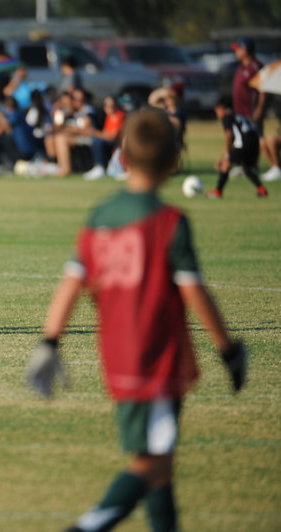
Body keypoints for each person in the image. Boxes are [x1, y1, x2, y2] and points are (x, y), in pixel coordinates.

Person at [26, 107, 248, 532]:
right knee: (155, 462)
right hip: (158, 358)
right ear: (174, 160)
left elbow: (72, 282)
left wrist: (49, 342)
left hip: (116, 355)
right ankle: (88, 526)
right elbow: (194, 292)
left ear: (123, 157)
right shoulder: (169, 222)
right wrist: (229, 349)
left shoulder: (100, 215)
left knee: (158, 460)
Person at [229, 37, 278, 181]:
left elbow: (263, 88)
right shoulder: (240, 67)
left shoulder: (256, 66)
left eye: (238, 49)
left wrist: (260, 108)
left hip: (251, 111)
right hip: (239, 112)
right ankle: (244, 166)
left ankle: (259, 167)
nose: (236, 52)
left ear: (246, 50)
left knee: (255, 140)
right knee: (241, 140)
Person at [208, 96, 268, 199]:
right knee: (246, 168)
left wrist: (226, 154)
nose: (217, 114)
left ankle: (218, 191)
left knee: (226, 165)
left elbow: (229, 136)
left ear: (222, 108)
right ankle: (261, 189)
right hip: (254, 143)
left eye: (217, 111)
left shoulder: (226, 117)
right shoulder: (238, 116)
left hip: (242, 144)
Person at [82, 96, 127, 180]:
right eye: (108, 106)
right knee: (95, 140)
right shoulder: (109, 117)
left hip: (120, 143)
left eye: (112, 105)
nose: (110, 108)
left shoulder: (120, 115)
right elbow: (106, 133)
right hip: (112, 142)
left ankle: (100, 167)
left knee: (97, 141)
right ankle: (99, 167)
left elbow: (113, 136)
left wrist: (94, 132)